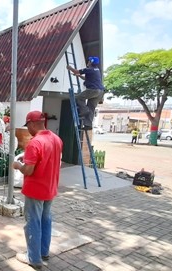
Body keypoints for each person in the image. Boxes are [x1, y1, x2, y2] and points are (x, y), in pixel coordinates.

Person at [12, 110, 63, 269]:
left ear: (32, 124)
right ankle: (43, 252)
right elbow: (46, 159)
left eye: (28, 126)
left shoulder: (35, 142)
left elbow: (28, 170)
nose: (28, 129)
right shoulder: (56, 139)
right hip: (50, 188)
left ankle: (33, 258)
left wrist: (18, 165)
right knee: (46, 220)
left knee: (33, 222)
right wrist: (26, 158)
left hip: (36, 190)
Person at [67, 56, 105, 130]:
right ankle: (88, 125)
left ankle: (84, 110)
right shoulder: (96, 70)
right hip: (100, 92)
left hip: (93, 90)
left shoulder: (89, 69)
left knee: (78, 97)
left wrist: (69, 68)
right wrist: (79, 76)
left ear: (91, 62)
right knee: (91, 108)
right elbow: (87, 78)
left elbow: (76, 71)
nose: (88, 62)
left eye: (89, 61)